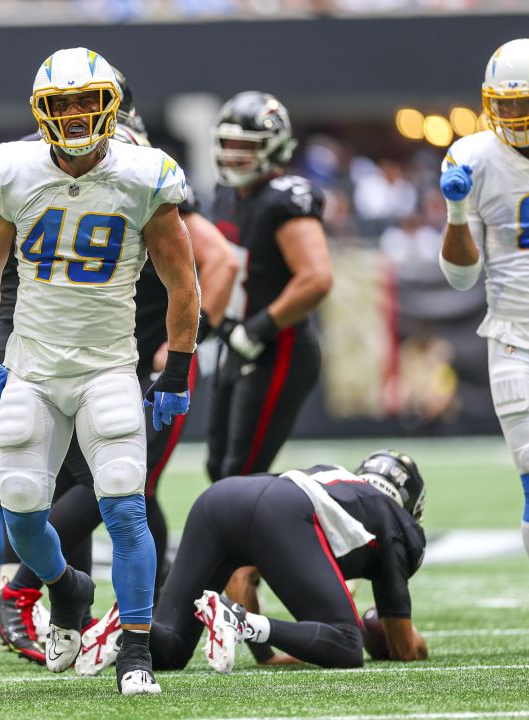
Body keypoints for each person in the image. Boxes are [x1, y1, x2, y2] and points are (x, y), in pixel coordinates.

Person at [0, 68, 238, 666]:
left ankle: (135, 638)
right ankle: (44, 589)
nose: (77, 121)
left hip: (125, 361)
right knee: (52, 493)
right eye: (62, 106)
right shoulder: (28, 171)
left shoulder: (140, 170)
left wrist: (179, 356)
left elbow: (201, 268)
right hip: (49, 359)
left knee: (124, 496)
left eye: (88, 105)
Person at [438, 38, 529, 656]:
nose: (518, 119)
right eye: (506, 105)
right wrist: (454, 211)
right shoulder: (473, 156)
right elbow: (461, 279)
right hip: (516, 341)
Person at [77, 451, 429, 675]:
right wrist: (415, 644)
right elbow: (402, 648)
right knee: (347, 644)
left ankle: (124, 624)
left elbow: (243, 574)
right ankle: (236, 620)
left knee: (171, 650)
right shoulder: (395, 523)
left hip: (221, 499)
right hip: (278, 511)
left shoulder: (334, 479)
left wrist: (265, 654)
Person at [205, 91, 335, 618]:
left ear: (275, 147)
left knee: (242, 473)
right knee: (221, 470)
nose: (235, 157)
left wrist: (256, 327)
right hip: (240, 345)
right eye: (229, 145)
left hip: (277, 347)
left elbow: (317, 278)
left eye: (247, 146)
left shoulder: (286, 196)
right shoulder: (225, 195)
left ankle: (249, 607)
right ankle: (237, 596)